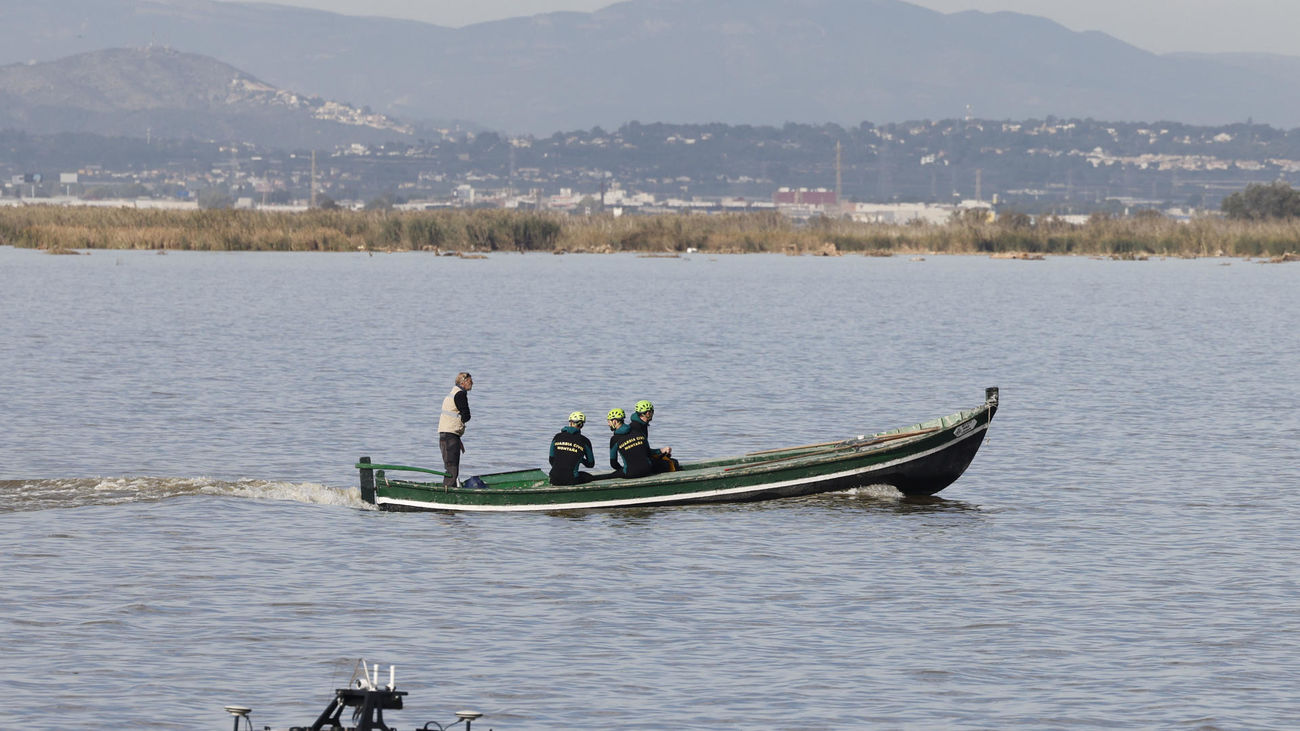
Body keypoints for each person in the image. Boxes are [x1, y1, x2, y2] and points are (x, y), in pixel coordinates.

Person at [610, 400, 678, 478]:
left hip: (635, 466)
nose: (653, 414)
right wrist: (660, 451)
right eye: (652, 412)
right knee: (673, 463)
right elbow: (645, 451)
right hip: (639, 466)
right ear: (648, 413)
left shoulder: (640, 425)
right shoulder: (637, 428)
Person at [437, 372, 472, 487]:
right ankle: (447, 494)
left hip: (447, 436)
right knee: (452, 469)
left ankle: (448, 488)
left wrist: (458, 439)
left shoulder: (452, 394)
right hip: (450, 437)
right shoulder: (460, 394)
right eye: (470, 381)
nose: (472, 384)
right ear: (463, 382)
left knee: (450, 467)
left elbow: (450, 420)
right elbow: (466, 415)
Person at [549, 411, 596, 485]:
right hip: (571, 480)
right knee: (588, 476)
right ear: (581, 425)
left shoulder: (557, 436)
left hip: (554, 478)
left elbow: (551, 459)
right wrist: (581, 459)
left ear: (570, 423)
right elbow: (590, 464)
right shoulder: (585, 441)